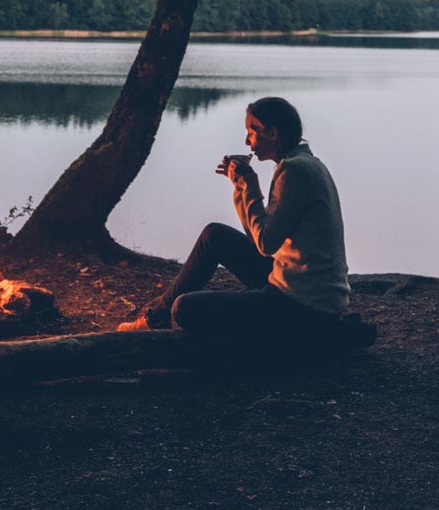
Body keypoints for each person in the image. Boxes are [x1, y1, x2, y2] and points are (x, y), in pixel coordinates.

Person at [118, 96, 350, 341]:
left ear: (272, 133)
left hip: (302, 303)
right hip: (309, 291)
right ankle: (157, 315)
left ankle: (261, 341)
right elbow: (258, 238)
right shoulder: (306, 163)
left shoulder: (293, 171)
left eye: (252, 131)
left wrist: (250, 188)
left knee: (185, 308)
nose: (247, 140)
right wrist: (240, 188)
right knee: (214, 235)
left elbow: (266, 244)